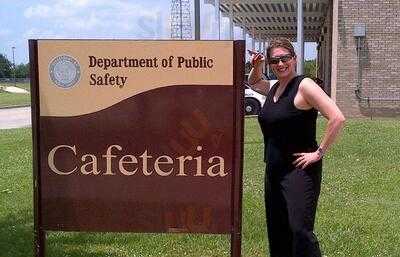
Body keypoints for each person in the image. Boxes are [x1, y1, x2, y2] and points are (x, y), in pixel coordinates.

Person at [248, 38, 345, 257]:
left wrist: (318, 153)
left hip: (299, 171)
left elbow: (337, 117)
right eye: (275, 60)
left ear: (294, 59)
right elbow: (254, 83)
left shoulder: (304, 85)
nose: (280, 64)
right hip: (273, 170)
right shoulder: (274, 88)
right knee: (278, 230)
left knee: (300, 231)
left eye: (284, 59)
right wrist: (257, 67)